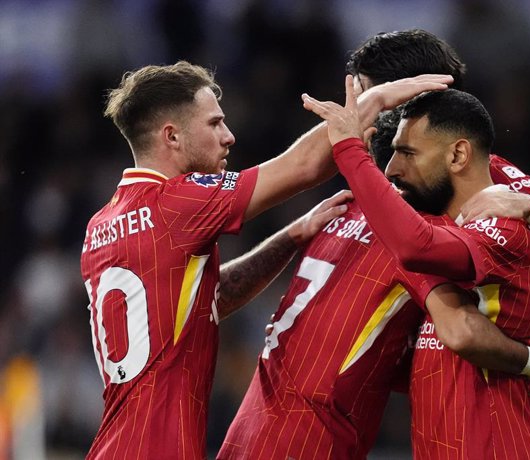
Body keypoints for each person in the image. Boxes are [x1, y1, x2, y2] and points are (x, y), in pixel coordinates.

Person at [79, 60, 452, 459]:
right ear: (171, 136)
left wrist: (290, 238)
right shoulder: (178, 202)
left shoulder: (102, 225)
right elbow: (305, 166)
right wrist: (372, 101)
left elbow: (206, 299)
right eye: (214, 124)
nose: (229, 136)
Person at [216, 115, 530, 460]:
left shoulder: (337, 211)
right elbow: (461, 331)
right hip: (313, 439)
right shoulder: (412, 235)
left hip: (251, 428)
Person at [303, 80, 530, 458]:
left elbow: (415, 248)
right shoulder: (450, 223)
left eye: (407, 153)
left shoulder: (504, 227)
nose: (393, 169)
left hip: (504, 446)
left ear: (458, 157)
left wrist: (349, 150)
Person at [346, 29, 530, 283]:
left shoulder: (491, 177)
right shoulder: (356, 178)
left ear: (407, 98)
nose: (355, 113)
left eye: (368, 100)